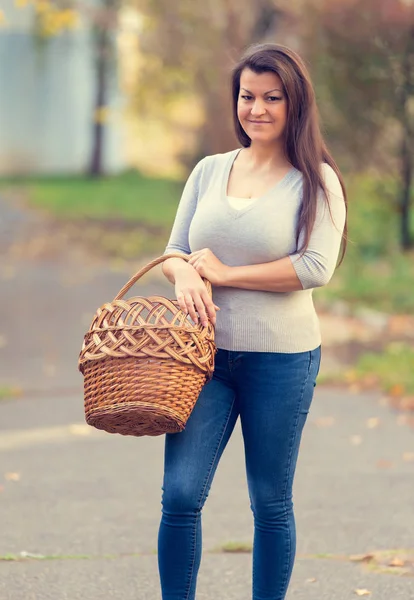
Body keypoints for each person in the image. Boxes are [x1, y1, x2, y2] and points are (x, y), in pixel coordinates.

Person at [158, 42, 347, 600]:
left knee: (269, 500)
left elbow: (315, 268)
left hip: (282, 359)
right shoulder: (209, 170)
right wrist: (185, 275)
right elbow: (174, 249)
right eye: (247, 96)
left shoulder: (317, 181)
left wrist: (225, 273)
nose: (256, 109)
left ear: (296, 105)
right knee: (181, 495)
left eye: (272, 97)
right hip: (202, 358)